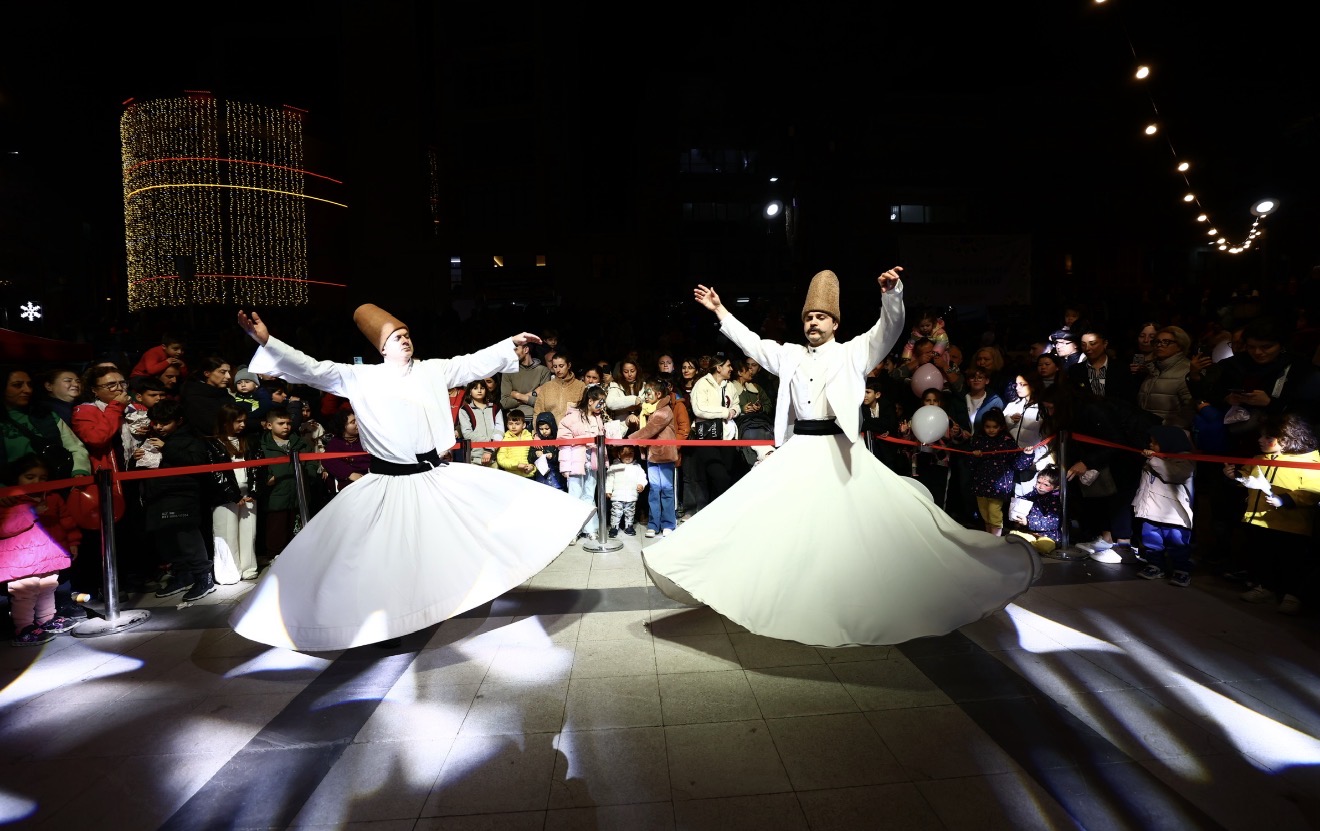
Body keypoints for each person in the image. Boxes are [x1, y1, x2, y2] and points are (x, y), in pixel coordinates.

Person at [643, 268, 1039, 647]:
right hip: (798, 450)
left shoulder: (854, 352)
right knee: (768, 519)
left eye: (821, 317)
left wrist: (891, 294)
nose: (813, 323)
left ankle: (849, 596)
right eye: (809, 317)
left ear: (835, 322)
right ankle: (788, 592)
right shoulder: (790, 355)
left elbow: (890, 329)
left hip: (840, 452)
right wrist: (720, 310)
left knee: (853, 529)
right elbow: (752, 343)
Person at [228, 305, 593, 651]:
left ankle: (443, 599)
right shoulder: (360, 376)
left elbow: (469, 364)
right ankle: (385, 623)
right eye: (396, 336)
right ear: (382, 347)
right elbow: (312, 368)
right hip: (388, 482)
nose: (405, 339)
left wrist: (507, 346)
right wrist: (267, 341)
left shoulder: (431, 370)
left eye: (406, 334)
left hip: (431, 476)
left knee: (453, 537)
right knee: (385, 556)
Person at [1228, 413, 1320, 614]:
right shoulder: (1259, 458)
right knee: (1263, 557)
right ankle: (1265, 588)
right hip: (1260, 519)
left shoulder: (1309, 460)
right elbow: (1247, 476)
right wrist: (1236, 476)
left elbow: (1312, 492)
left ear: (1287, 439)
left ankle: (1292, 595)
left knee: (1291, 561)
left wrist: (1285, 500)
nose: (1261, 440)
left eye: (1268, 437)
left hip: (1291, 525)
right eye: (1261, 436)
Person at [143, 400, 217, 603]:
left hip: (182, 495)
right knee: (165, 540)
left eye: (164, 423)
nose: (158, 427)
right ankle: (182, 576)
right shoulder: (152, 439)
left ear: (179, 420)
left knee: (187, 538)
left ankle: (204, 577)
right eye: (156, 422)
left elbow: (197, 463)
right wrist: (138, 458)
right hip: (158, 495)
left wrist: (166, 448)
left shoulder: (191, 438)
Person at [1, 455, 77, 646]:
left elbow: (66, 522)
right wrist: (31, 512)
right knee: (24, 592)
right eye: (30, 476)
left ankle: (46, 619)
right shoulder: (8, 500)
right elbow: (5, 528)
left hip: (46, 556)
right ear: (16, 477)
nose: (37, 482)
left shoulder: (51, 496)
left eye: (42, 478)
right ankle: (23, 627)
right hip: (20, 559)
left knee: (48, 586)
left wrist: (73, 542)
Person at [1132, 425, 1195, 587]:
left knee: (1177, 543)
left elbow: (1174, 474)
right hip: (1151, 510)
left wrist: (1154, 460)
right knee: (1151, 540)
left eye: (1155, 442)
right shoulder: (1154, 458)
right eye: (1151, 442)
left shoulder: (1184, 458)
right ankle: (1155, 566)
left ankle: (1181, 570)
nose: (1151, 445)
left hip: (1173, 513)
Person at [207, 403, 259, 583]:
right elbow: (216, 473)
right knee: (226, 533)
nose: (242, 425)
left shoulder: (249, 440)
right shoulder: (213, 443)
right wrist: (232, 495)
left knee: (248, 533)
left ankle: (248, 568)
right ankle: (228, 572)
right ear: (225, 422)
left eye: (244, 421)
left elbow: (257, 467)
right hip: (225, 496)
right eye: (238, 421)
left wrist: (254, 489)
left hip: (248, 493)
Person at [632, 375, 680, 537]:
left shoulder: (665, 411)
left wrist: (629, 439)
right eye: (645, 393)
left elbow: (650, 430)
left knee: (666, 490)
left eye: (648, 392)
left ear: (658, 395)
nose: (646, 396)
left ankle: (669, 523)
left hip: (665, 455)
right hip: (652, 455)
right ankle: (654, 523)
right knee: (654, 490)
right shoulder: (647, 410)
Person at [559, 385, 607, 542]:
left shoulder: (598, 418)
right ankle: (572, 531)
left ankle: (590, 528)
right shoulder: (571, 418)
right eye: (600, 402)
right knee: (574, 496)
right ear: (590, 400)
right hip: (575, 463)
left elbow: (601, 443)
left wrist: (603, 462)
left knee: (589, 495)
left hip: (592, 462)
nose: (602, 406)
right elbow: (564, 444)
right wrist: (565, 467)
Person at [968, 408, 1020, 536]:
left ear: (1001, 427)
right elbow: (970, 464)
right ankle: (989, 537)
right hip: (980, 483)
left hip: (999, 485)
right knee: (984, 512)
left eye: (994, 427)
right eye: (988, 426)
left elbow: (1016, 460)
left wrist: (1028, 454)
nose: (991, 430)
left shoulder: (1007, 441)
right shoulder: (978, 439)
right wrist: (974, 456)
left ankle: (995, 540)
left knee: (994, 512)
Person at [321, 409, 369, 496]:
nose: (357, 424)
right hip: (344, 489)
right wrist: (349, 474)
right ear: (343, 426)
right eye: (352, 422)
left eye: (357, 420)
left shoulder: (365, 440)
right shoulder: (335, 444)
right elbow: (328, 460)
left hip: (367, 484)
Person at [604, 445, 647, 537]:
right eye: (624, 453)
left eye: (631, 453)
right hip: (617, 496)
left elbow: (642, 478)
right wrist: (608, 490)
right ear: (619, 454)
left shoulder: (637, 467)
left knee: (630, 512)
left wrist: (641, 484)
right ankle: (614, 527)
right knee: (616, 512)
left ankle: (629, 527)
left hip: (631, 496)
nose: (628, 456)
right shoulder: (614, 467)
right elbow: (609, 479)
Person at [495, 409, 537, 478]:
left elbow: (535, 456)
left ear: (523, 425)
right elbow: (501, 459)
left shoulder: (529, 437)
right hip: (512, 477)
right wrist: (517, 465)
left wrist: (533, 467)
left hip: (529, 476)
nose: (513, 427)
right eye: (510, 424)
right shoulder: (505, 439)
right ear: (507, 425)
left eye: (517, 424)